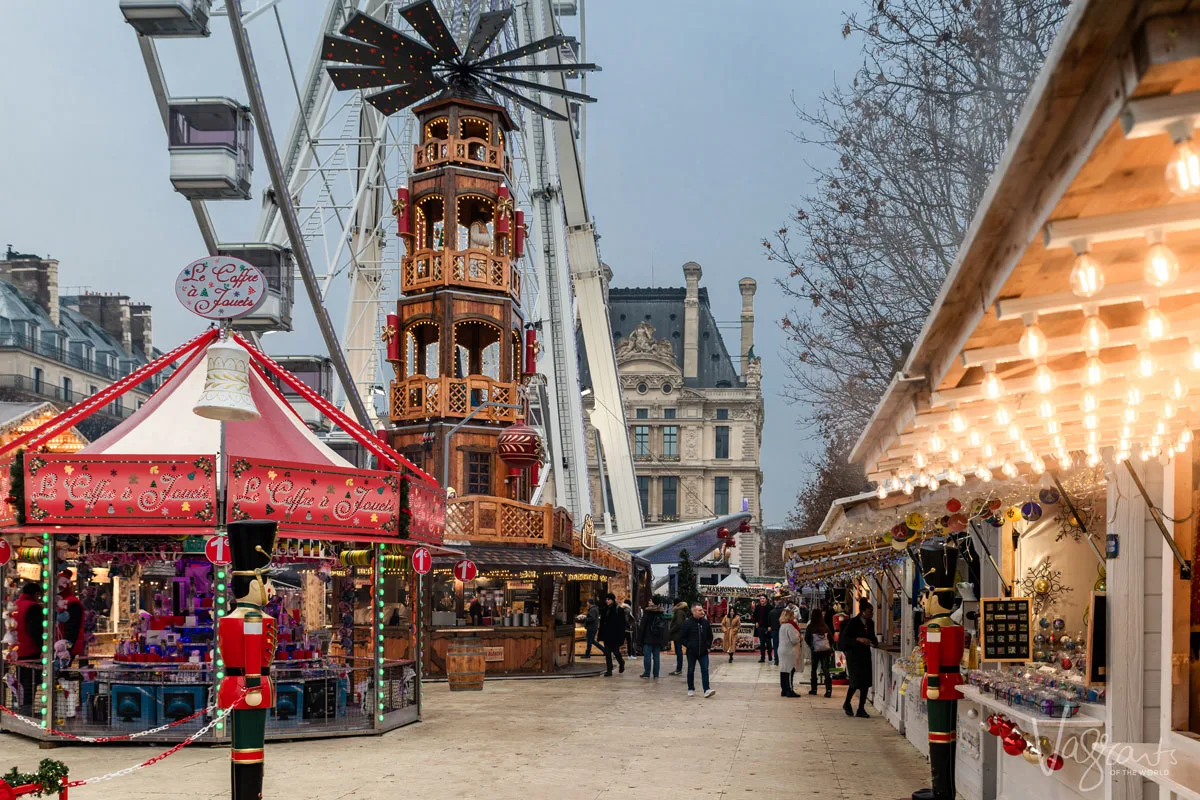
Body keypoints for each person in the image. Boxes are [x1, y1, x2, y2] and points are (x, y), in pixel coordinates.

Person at [840, 599, 879, 717]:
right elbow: (845, 639)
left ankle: (861, 708)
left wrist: (873, 642)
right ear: (863, 612)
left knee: (865, 682)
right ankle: (847, 702)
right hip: (854, 656)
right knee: (855, 681)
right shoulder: (853, 623)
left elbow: (872, 637)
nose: (871, 614)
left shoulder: (870, 623)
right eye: (869, 611)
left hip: (865, 655)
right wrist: (858, 639)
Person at [12, 582, 43, 714]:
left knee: (20, 682)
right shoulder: (33, 607)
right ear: (36, 594)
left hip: (17, 651)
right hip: (30, 651)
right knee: (30, 683)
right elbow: (35, 631)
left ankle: (18, 708)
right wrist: (43, 648)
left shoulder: (15, 605)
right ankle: (26, 712)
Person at [678, 604, 716, 697]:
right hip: (691, 652)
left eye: (702, 610)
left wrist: (708, 646)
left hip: (703, 651)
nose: (702, 612)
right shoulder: (687, 623)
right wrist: (689, 645)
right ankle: (690, 688)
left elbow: (710, 636)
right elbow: (681, 637)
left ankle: (706, 689)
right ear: (694, 612)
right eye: (699, 610)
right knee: (691, 670)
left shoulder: (705, 623)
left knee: (705, 670)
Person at [805, 608, 835, 697]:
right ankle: (828, 690)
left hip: (815, 651)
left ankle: (814, 689)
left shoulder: (810, 626)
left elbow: (807, 638)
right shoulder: (825, 626)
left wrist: (812, 646)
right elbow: (831, 639)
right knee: (826, 670)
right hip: (825, 651)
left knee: (813, 669)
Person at [637, 595, 669, 679]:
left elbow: (642, 627)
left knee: (647, 656)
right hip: (658, 639)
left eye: (650, 601)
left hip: (648, 638)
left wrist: (639, 639)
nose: (649, 602)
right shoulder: (661, 613)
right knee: (656, 657)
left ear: (653, 602)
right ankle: (656, 674)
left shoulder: (648, 613)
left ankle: (647, 673)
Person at [598, 593, 626, 676]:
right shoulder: (605, 609)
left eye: (608, 599)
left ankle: (621, 662)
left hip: (615, 635)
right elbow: (602, 623)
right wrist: (601, 634)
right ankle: (609, 670)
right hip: (606, 635)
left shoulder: (619, 610)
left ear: (612, 600)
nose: (607, 601)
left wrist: (621, 636)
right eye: (606, 599)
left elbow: (622, 624)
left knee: (616, 651)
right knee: (607, 653)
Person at [777, 609, 803, 697]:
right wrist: (799, 637)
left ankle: (783, 689)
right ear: (790, 616)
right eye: (792, 615)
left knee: (783, 670)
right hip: (789, 651)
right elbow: (794, 640)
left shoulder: (782, 625)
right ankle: (789, 690)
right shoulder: (790, 626)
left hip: (782, 650)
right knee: (790, 670)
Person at [667, 600, 689, 675]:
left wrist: (671, 630)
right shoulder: (681, 611)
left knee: (678, 652)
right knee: (678, 651)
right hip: (678, 634)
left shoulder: (679, 612)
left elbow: (678, 624)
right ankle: (679, 668)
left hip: (678, 634)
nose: (672, 604)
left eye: (673, 603)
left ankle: (679, 669)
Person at [752, 595, 773, 663]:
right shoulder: (757, 607)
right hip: (760, 627)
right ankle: (762, 657)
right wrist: (756, 622)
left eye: (763, 598)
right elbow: (755, 616)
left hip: (767, 627)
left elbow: (772, 618)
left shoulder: (770, 607)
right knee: (762, 643)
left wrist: (770, 626)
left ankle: (769, 654)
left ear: (766, 599)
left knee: (769, 643)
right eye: (761, 598)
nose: (762, 600)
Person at [768, 597, 786, 667]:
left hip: (774, 630)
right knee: (783, 645)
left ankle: (776, 660)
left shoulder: (771, 612)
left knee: (775, 646)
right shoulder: (784, 613)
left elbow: (769, 622)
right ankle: (782, 660)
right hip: (783, 630)